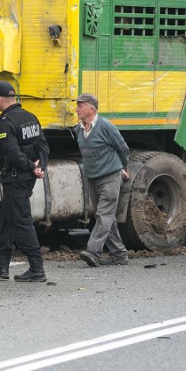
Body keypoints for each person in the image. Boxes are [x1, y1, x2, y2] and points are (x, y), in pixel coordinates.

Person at [0, 81, 50, 282]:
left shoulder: (6, 121)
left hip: (16, 177)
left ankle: (37, 268)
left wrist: (31, 166)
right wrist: (40, 167)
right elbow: (43, 146)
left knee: (21, 219)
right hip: (26, 177)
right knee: (6, 213)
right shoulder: (30, 117)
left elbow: (11, 153)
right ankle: (2, 266)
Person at [73, 93, 131, 267]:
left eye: (80, 105)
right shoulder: (79, 129)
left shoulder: (106, 126)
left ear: (92, 108)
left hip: (110, 176)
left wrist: (124, 167)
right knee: (107, 216)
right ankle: (119, 253)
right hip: (93, 177)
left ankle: (93, 251)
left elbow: (122, 147)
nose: (77, 109)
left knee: (103, 214)